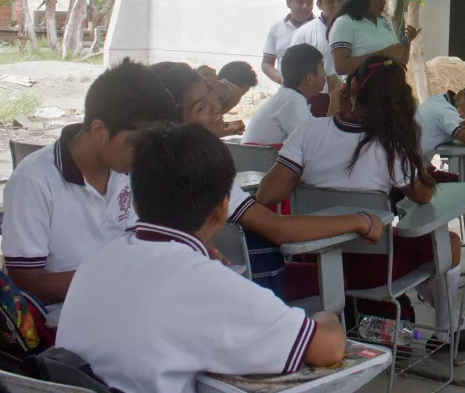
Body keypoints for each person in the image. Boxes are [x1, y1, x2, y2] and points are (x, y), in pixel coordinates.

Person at [55, 124, 354, 392]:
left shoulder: (98, 259)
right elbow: (326, 349)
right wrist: (325, 316)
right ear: (221, 210)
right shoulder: (206, 283)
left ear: (134, 199)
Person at [256, 55, 465, 350]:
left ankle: (455, 323)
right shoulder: (392, 145)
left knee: (429, 249)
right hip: (373, 266)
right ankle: (445, 330)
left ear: (350, 87)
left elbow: (267, 195)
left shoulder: (309, 132)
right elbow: (423, 196)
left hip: (313, 259)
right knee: (449, 244)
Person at [151, 61, 376, 297]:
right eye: (200, 107)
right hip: (247, 290)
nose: (217, 107)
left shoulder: (149, 170)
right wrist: (361, 221)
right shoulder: (202, 171)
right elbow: (278, 229)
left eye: (211, 95)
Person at [2, 60, 174, 322]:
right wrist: (116, 276)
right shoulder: (34, 180)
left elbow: (137, 243)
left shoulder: (127, 170)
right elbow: (27, 284)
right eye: (138, 144)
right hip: (64, 320)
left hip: (125, 305)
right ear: (99, 130)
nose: (146, 155)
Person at [243, 44, 329, 147]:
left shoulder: (289, 96)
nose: (325, 73)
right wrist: (336, 97)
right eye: (322, 68)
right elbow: (314, 145)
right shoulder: (293, 100)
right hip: (261, 161)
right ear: (309, 78)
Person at [329, 0, 418, 77]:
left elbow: (401, 61)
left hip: (389, 90)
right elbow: (341, 67)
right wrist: (384, 53)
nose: (383, 3)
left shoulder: (384, 22)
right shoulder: (345, 22)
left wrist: (407, 42)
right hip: (363, 92)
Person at [262, 0, 315, 85]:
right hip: (286, 89)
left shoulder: (320, 28)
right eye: (300, 1)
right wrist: (281, 79)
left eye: (309, 3)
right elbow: (267, 63)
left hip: (317, 93)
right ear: (288, 3)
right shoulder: (277, 27)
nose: (305, 6)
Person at [290, 0, 346, 80]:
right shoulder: (303, 34)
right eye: (330, 1)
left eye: (339, 0)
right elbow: (294, 69)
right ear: (319, 4)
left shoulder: (355, 28)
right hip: (319, 91)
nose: (336, 5)